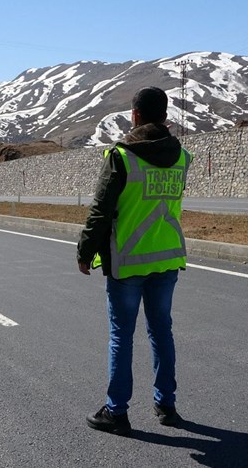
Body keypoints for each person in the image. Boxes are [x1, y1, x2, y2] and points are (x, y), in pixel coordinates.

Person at [76, 86, 193, 436]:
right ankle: (166, 404)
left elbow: (101, 210)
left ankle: (117, 411)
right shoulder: (182, 157)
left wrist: (85, 251)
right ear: (165, 117)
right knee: (161, 332)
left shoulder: (121, 156)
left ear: (135, 115)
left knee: (121, 337)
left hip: (127, 262)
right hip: (167, 258)